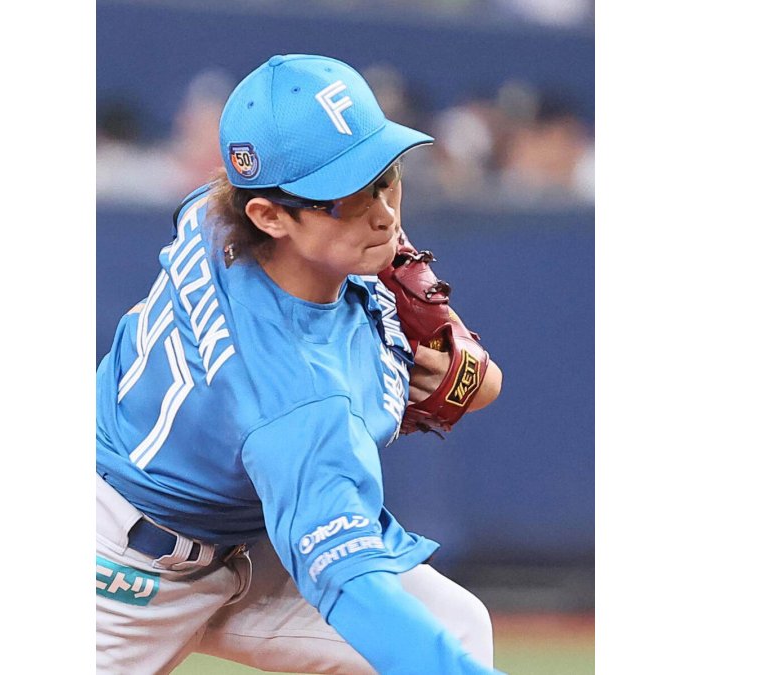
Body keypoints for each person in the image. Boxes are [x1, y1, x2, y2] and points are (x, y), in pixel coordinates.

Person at [96, 54, 505, 674]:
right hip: (120, 572)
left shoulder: (216, 212)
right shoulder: (296, 398)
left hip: (242, 536)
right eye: (348, 196)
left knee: (456, 624)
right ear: (269, 216)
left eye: (385, 176)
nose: (384, 214)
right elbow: (351, 586)